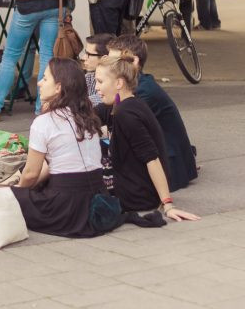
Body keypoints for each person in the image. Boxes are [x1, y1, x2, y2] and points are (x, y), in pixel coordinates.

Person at [95, 53, 200, 222]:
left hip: (136, 198)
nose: (96, 88)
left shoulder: (125, 114)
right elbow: (91, 114)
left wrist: (168, 204)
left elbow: (152, 159)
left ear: (119, 83)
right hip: (137, 191)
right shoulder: (127, 103)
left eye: (100, 82)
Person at [10, 57, 105, 237]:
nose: (38, 83)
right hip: (97, 196)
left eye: (45, 79)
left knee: (8, 196)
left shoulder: (44, 122)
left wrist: (17, 193)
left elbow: (30, 174)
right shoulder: (89, 116)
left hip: (64, 206)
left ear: (58, 87)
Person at [107, 35, 198, 191]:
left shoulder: (142, 91)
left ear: (134, 61)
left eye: (113, 62)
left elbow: (122, 132)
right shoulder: (139, 83)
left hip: (168, 166)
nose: (109, 67)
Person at [82, 33, 114, 107]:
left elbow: (98, 100)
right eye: (85, 52)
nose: (83, 57)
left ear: (104, 58)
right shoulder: (89, 76)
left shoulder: (113, 80)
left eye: (88, 54)